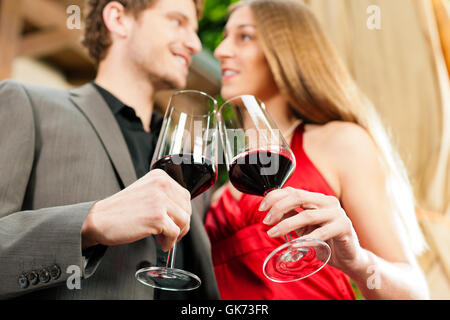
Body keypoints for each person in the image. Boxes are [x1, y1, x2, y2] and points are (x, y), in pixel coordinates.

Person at [205, 0, 429, 300]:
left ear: (286, 52)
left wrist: (359, 263)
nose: (220, 51)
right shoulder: (219, 190)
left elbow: (416, 292)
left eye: (244, 36)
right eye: (223, 37)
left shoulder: (340, 142)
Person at [0, 0, 219, 300]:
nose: (195, 44)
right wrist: (91, 221)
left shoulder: (192, 164)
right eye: (177, 21)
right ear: (118, 18)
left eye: (194, 30)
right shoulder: (27, 104)